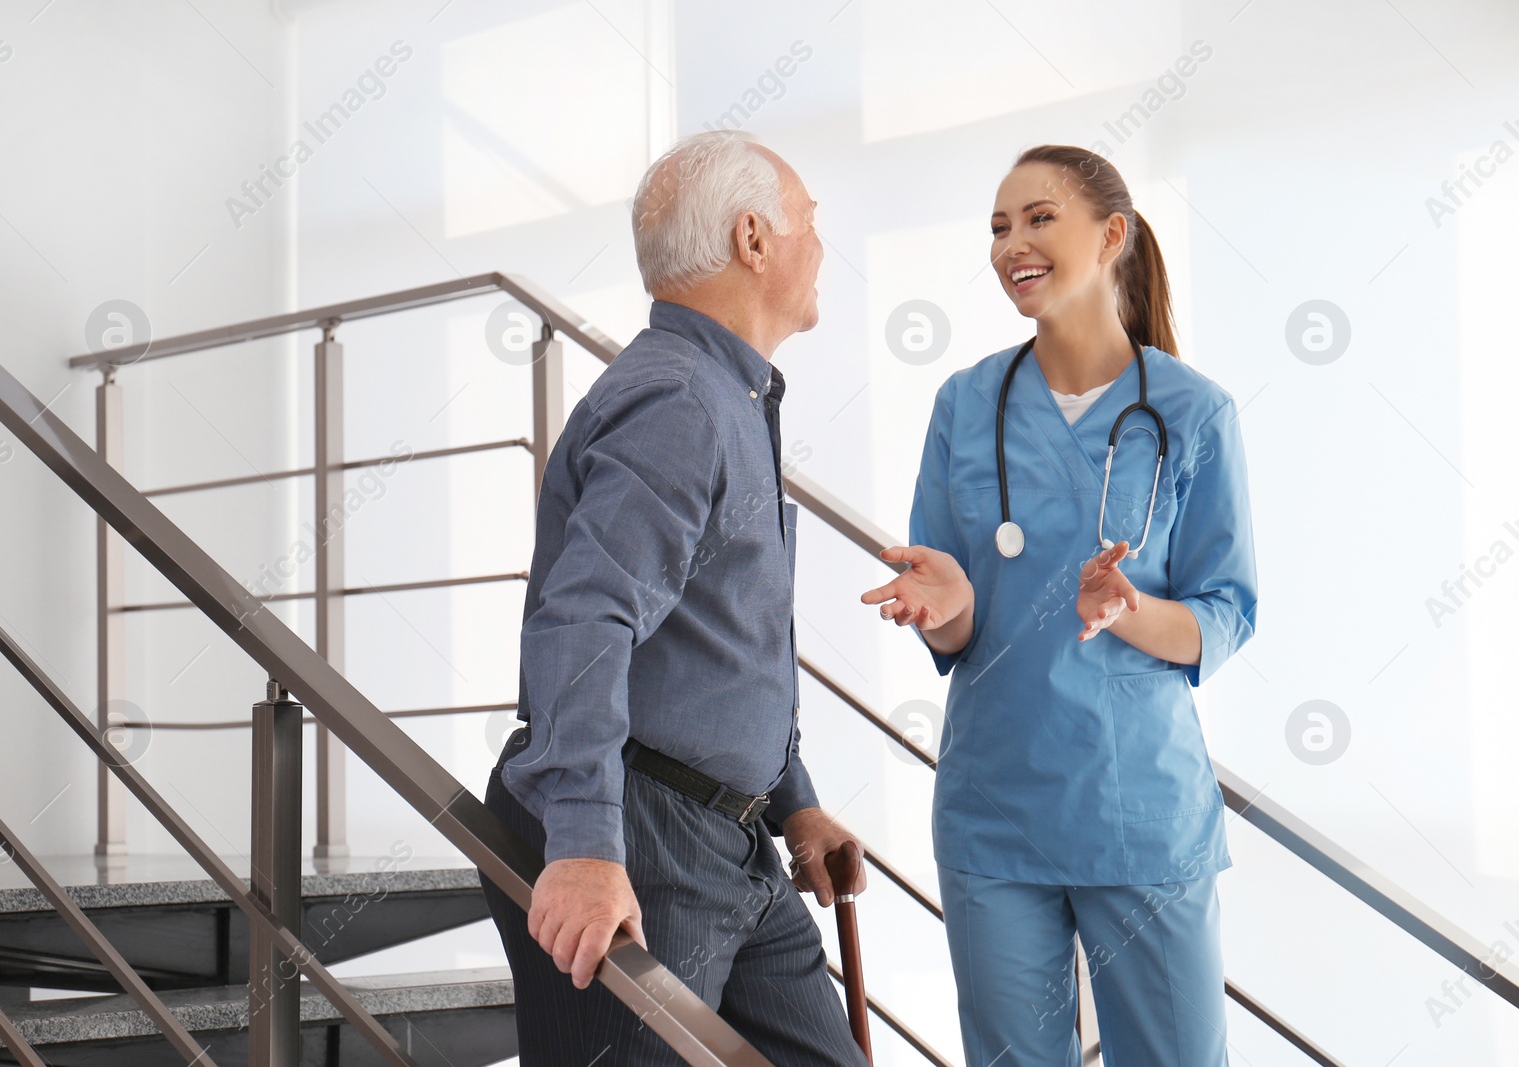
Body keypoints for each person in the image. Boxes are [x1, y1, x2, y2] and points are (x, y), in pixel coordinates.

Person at [479, 130, 869, 1067]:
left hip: (727, 836)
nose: (821, 243)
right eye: (809, 221)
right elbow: (586, 617)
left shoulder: (730, 397)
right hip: (640, 827)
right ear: (754, 239)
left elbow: (719, 640)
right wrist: (580, 845)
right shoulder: (682, 403)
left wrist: (794, 803)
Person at [862, 144, 1257, 1066]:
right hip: (994, 812)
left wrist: (1131, 607)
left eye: (1038, 218)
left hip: (1140, 809)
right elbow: (955, 620)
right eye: (999, 227)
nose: (1012, 244)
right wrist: (948, 603)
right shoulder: (966, 403)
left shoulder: (1194, 412)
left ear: (1111, 234)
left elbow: (1227, 610)